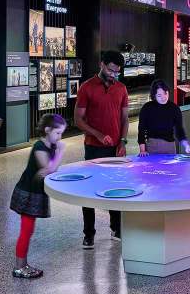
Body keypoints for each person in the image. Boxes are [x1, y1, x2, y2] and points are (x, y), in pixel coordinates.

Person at [74, 51, 129, 249]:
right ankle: (88, 233)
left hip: (115, 148)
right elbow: (78, 120)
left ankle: (117, 228)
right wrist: (97, 134)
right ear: (102, 65)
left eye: (117, 72)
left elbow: (125, 119)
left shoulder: (121, 89)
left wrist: (122, 142)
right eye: (110, 70)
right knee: (89, 190)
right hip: (93, 148)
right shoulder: (87, 88)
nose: (113, 74)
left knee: (115, 189)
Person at [10, 114, 66, 279]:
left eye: (61, 133)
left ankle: (23, 264)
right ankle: (19, 267)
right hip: (28, 193)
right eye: (57, 133)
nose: (60, 137)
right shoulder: (39, 147)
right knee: (26, 230)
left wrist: (50, 165)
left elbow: (48, 170)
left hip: (36, 192)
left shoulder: (51, 146)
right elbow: (49, 168)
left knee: (29, 230)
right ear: (47, 130)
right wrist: (61, 152)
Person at [137, 80, 190, 156]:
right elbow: (141, 130)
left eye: (165, 93)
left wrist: (187, 146)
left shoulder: (174, 108)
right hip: (152, 146)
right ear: (154, 96)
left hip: (170, 147)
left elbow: (179, 130)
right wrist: (142, 150)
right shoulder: (147, 108)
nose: (164, 98)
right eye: (159, 95)